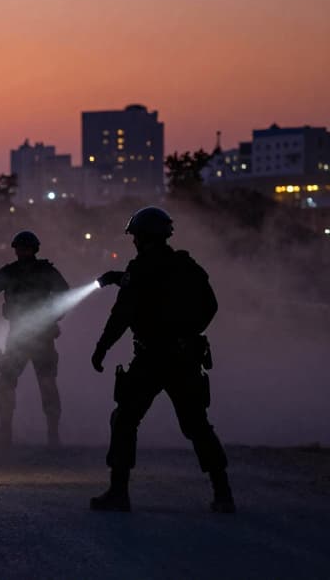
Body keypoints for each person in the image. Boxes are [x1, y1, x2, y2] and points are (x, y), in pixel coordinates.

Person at [90, 207, 234, 513]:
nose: (134, 242)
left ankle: (118, 493)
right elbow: (210, 306)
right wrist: (186, 333)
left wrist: (102, 348)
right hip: (184, 358)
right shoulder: (185, 266)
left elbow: (121, 316)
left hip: (150, 359)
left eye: (136, 237)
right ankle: (223, 494)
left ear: (143, 237)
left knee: (124, 420)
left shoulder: (139, 269)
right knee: (197, 425)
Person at [0, 230, 70, 447]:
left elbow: (64, 294)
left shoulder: (44, 270)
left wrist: (52, 314)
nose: (22, 252)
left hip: (40, 335)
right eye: (19, 248)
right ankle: (5, 431)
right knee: (6, 382)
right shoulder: (12, 271)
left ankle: (53, 434)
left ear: (33, 249)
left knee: (46, 384)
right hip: (19, 336)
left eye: (25, 248)